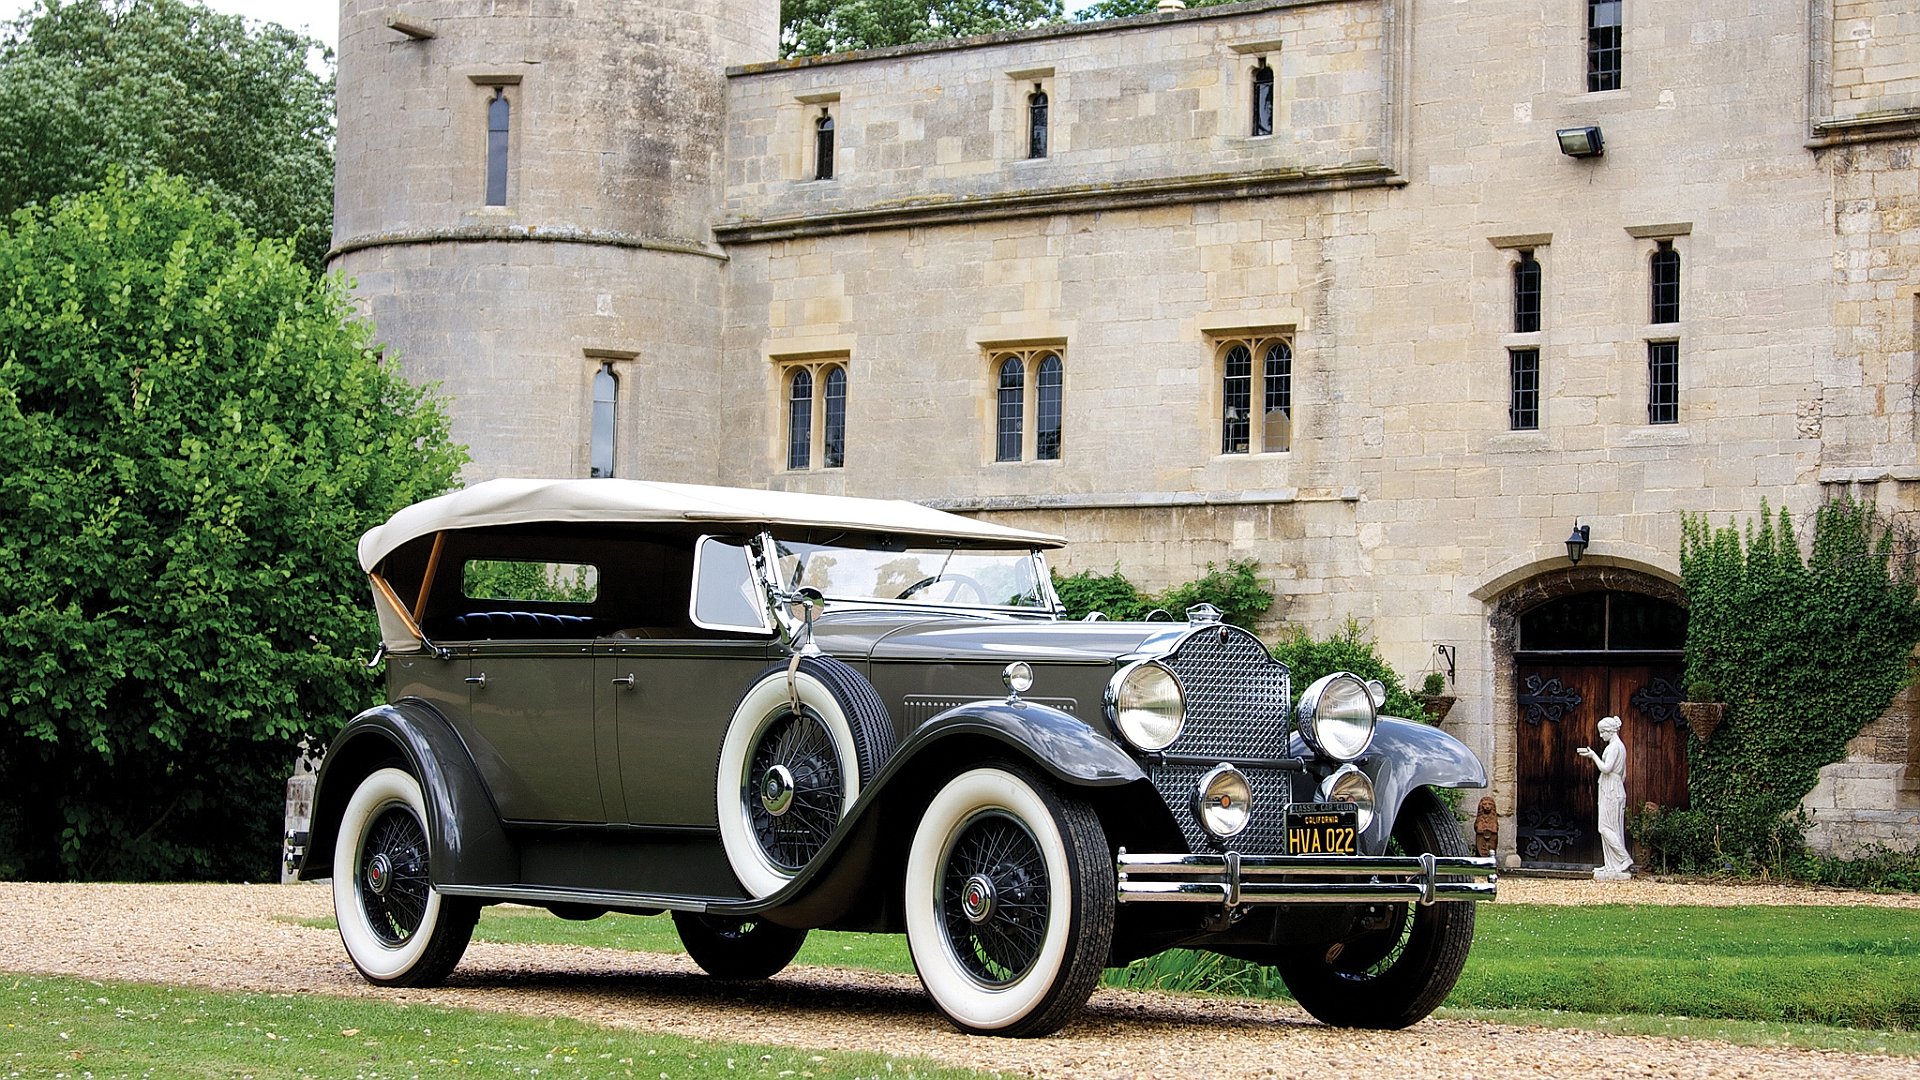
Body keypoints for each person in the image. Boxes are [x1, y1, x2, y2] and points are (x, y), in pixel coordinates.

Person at [1577, 715, 1632, 879]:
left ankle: (1624, 858)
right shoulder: (1617, 746)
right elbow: (1623, 773)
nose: (1601, 736)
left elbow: (1606, 768)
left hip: (1611, 789)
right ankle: (1612, 865)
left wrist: (1593, 756)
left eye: (1602, 732)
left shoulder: (1615, 747)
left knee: (1605, 827)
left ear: (1609, 731)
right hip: (1613, 786)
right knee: (1612, 827)